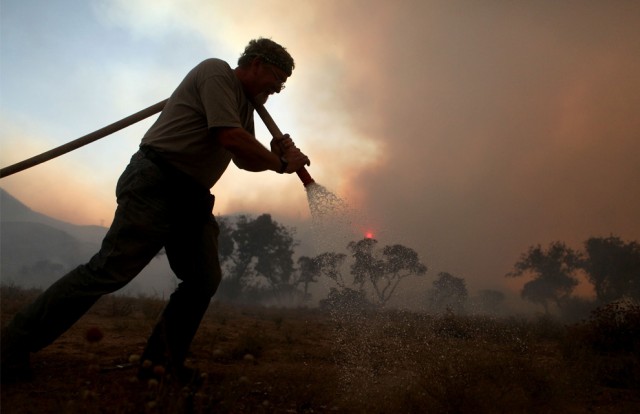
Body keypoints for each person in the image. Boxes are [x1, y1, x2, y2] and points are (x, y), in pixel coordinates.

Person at [1, 38, 310, 384]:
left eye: (283, 84)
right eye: (277, 78)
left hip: (191, 197)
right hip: (157, 181)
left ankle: (159, 366)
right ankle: (12, 345)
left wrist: (272, 156)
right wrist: (283, 164)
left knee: (203, 279)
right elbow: (230, 138)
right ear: (255, 63)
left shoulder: (245, 104)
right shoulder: (216, 73)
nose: (279, 88)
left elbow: (243, 159)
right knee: (107, 271)